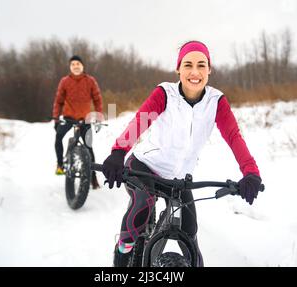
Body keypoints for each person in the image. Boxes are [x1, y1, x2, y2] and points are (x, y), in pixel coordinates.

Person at [101, 41, 262, 267]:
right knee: (143, 206)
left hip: (179, 179)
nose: (194, 72)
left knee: (190, 232)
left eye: (201, 65)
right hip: (144, 167)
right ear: (178, 69)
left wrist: (251, 173)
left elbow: (234, 136)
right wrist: (118, 152)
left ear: (209, 69)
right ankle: (122, 253)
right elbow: (140, 121)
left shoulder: (216, 102)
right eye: (188, 65)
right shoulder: (165, 93)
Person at [52, 55, 103, 189]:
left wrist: (98, 116)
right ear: (70, 67)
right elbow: (58, 101)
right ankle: (60, 165)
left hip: (85, 120)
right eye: (73, 64)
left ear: (82, 66)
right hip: (68, 118)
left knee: (89, 148)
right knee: (58, 138)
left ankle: (93, 178)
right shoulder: (64, 81)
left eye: (78, 64)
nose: (76, 66)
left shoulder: (90, 81)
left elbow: (98, 100)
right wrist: (56, 118)